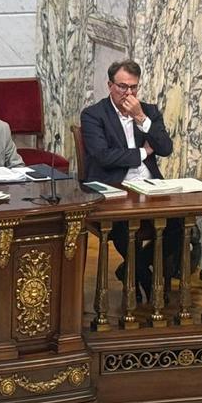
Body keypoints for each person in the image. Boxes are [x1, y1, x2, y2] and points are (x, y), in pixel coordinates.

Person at [80, 60, 185, 301]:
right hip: (113, 187)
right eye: (122, 87)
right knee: (122, 226)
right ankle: (144, 276)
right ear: (110, 85)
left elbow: (166, 148)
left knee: (180, 224)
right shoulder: (94, 115)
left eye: (133, 88)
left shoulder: (149, 111)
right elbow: (103, 156)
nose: (128, 93)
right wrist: (143, 153)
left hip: (150, 187)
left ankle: (129, 268)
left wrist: (141, 118)